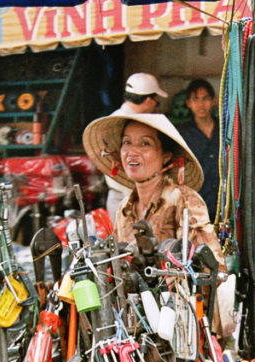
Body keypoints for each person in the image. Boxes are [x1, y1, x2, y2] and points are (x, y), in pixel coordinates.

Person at [83, 112, 225, 271]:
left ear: (166, 156)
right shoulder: (125, 208)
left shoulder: (183, 200)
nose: (132, 152)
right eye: (127, 142)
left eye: (145, 144)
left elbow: (214, 269)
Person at [105, 73, 168, 219]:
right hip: (126, 195)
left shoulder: (113, 119)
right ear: (148, 100)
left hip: (127, 196)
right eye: (156, 102)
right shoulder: (121, 122)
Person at [176, 79, 219, 216]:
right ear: (188, 103)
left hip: (223, 201)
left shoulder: (225, 130)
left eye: (205, 98)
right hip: (197, 203)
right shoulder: (182, 134)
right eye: (196, 99)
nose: (201, 104)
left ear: (213, 101)